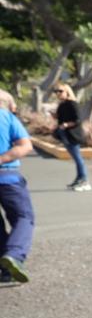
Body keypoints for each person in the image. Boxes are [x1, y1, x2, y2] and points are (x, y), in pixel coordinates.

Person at [0, 89, 35, 285]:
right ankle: (14, 255)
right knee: (24, 217)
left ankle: (5, 269)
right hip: (7, 177)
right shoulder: (7, 118)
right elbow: (25, 145)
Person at [52, 83, 89, 192]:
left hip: (73, 134)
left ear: (67, 91)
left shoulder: (72, 104)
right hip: (65, 134)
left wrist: (67, 124)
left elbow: (78, 120)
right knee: (76, 158)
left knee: (78, 158)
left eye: (60, 91)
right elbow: (60, 119)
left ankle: (84, 180)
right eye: (56, 91)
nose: (58, 93)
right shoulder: (61, 105)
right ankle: (78, 179)